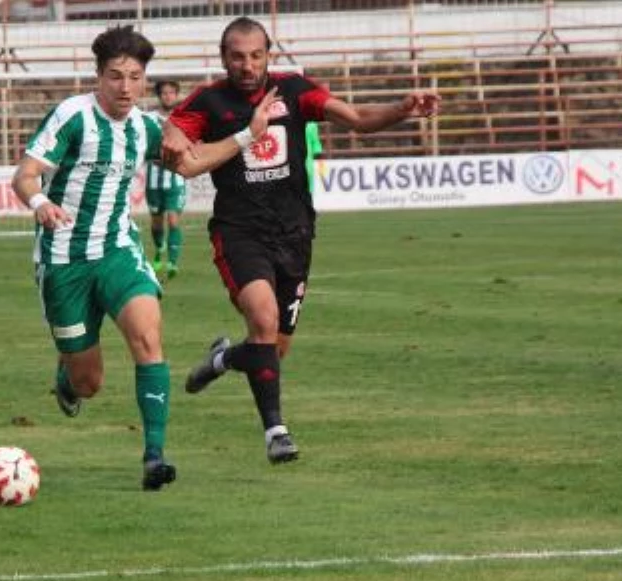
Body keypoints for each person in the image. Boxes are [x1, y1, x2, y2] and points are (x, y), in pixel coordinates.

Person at [161, 16, 439, 464]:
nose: (248, 65)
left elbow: (358, 119)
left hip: (295, 233)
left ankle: (222, 360)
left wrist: (403, 108)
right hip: (239, 232)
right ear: (223, 58)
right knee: (264, 320)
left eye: (256, 55)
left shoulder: (295, 90)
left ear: (269, 54)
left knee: (271, 348)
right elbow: (175, 138)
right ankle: (276, 432)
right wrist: (173, 141)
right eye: (238, 56)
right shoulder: (208, 101)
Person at [10, 26, 178, 491]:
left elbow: (194, 160)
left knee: (148, 335)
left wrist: (247, 136)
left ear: (145, 80)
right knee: (89, 383)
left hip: (118, 250)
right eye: (115, 76)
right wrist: (40, 203)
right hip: (64, 259)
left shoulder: (146, 128)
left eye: (135, 77)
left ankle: (154, 456)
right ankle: (68, 378)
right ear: (98, 76)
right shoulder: (72, 116)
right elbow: (25, 176)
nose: (125, 87)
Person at [144, 80, 187, 281]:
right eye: (164, 93)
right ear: (159, 96)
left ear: (176, 95)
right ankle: (159, 248)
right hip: (154, 180)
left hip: (176, 179)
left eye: (171, 93)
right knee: (157, 221)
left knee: (173, 219)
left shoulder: (184, 117)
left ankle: (173, 262)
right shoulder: (150, 118)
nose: (168, 96)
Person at [304, 120, 324, 199]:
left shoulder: (290, 122)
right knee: (308, 194)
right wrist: (321, 166)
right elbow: (317, 147)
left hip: (295, 164)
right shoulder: (312, 124)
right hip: (308, 166)